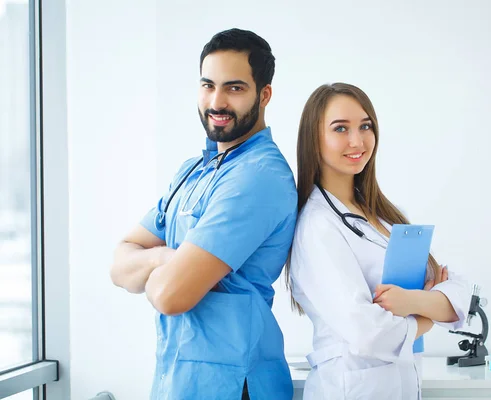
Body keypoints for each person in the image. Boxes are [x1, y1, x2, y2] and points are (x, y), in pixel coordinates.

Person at [110, 28, 297, 400]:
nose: (217, 101)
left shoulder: (257, 177)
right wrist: (169, 256)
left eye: (234, 88)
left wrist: (157, 267)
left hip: (235, 387)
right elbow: (119, 267)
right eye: (208, 85)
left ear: (265, 95)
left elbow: (168, 295)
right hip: (177, 383)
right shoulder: (195, 170)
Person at [288, 83, 470, 399]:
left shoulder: (385, 216)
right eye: (340, 128)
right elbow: (368, 333)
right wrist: (430, 314)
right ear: (314, 139)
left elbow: (460, 293)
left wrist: (412, 302)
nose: (357, 141)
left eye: (365, 126)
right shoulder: (317, 226)